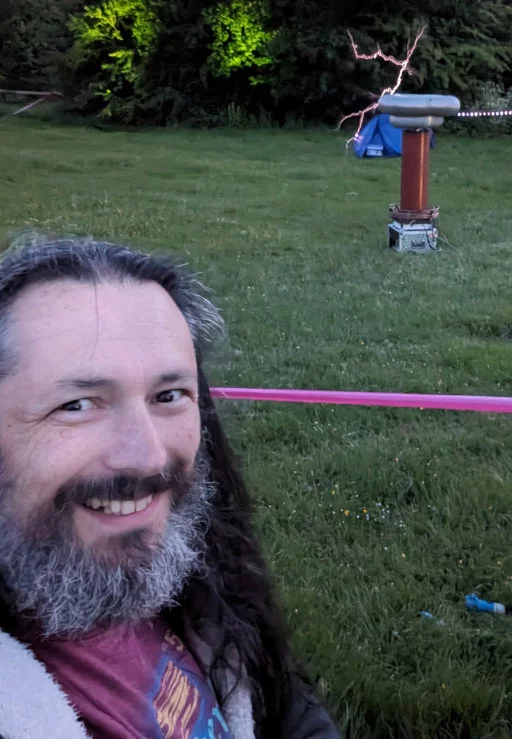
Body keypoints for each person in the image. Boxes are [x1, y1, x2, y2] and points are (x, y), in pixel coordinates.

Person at [0, 234, 340, 739]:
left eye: (169, 395)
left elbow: (285, 708)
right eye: (77, 405)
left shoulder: (199, 573)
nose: (149, 455)